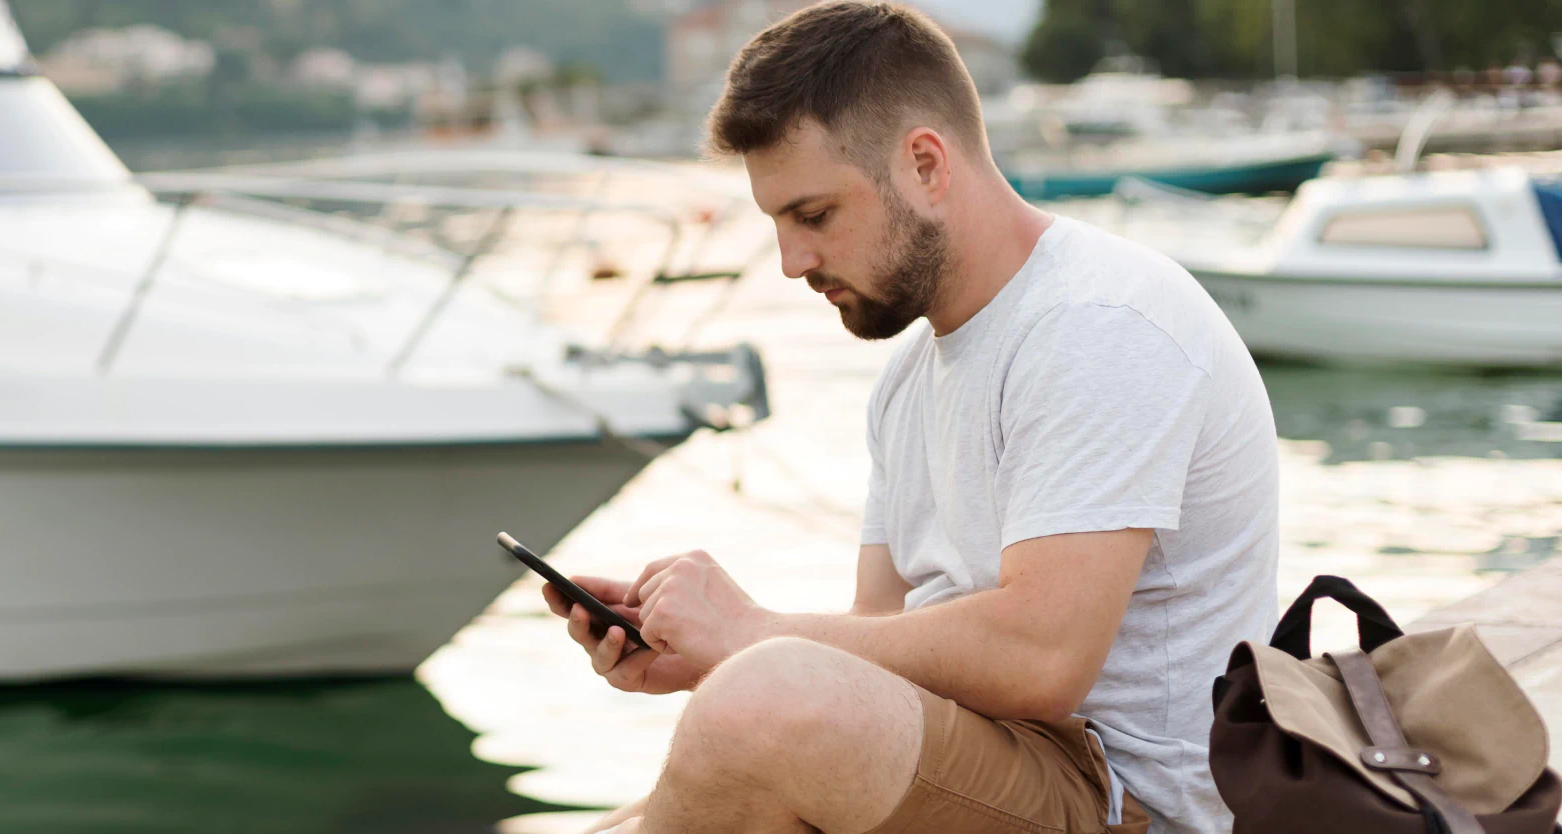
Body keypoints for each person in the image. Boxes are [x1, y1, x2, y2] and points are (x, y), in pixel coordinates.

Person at [543, 4, 1278, 833]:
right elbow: (879, 639)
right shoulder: (906, 378)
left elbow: (1044, 658)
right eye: (777, 223)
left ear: (926, 165)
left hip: (1126, 798)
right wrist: (708, 651)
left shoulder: (1103, 323)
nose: (791, 263)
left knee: (759, 699)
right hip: (992, 760)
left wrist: (750, 637)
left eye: (813, 216)